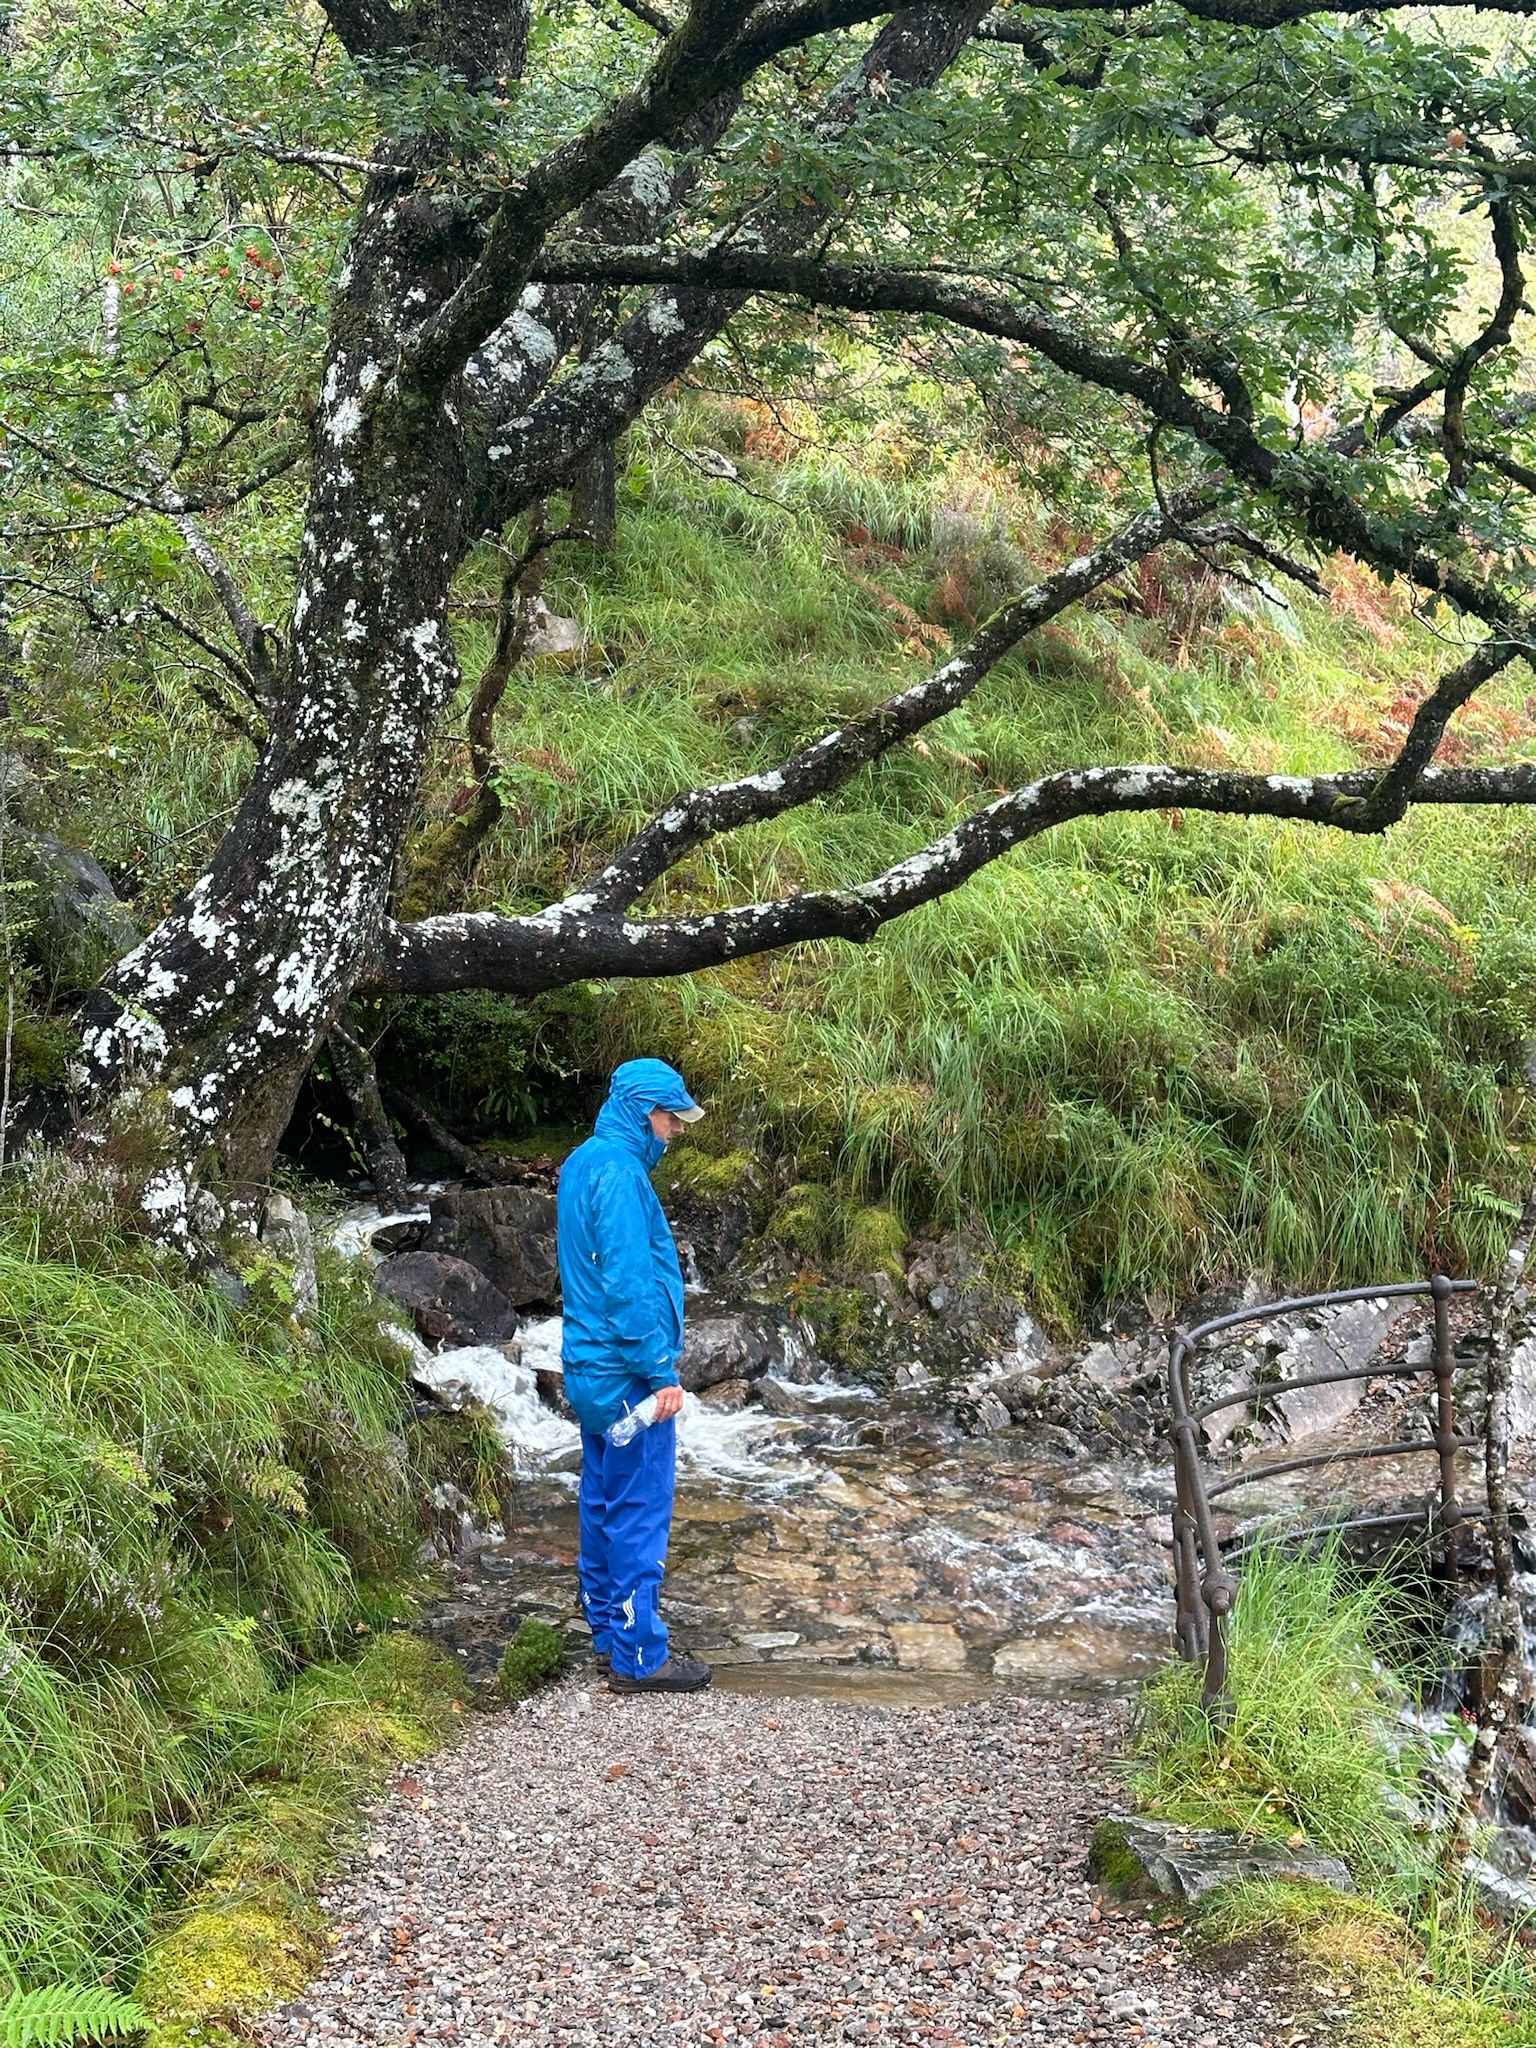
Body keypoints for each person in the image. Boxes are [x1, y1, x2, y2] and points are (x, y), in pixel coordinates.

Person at [557, 1057, 714, 1695]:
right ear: (643, 1112)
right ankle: (640, 1655)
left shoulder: (582, 1163)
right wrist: (658, 1372)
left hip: (589, 1369)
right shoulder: (621, 1174)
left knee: (602, 1501)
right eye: (670, 1119)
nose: (673, 1133)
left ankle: (608, 1633)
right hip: (627, 1374)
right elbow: (628, 1283)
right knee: (639, 1510)